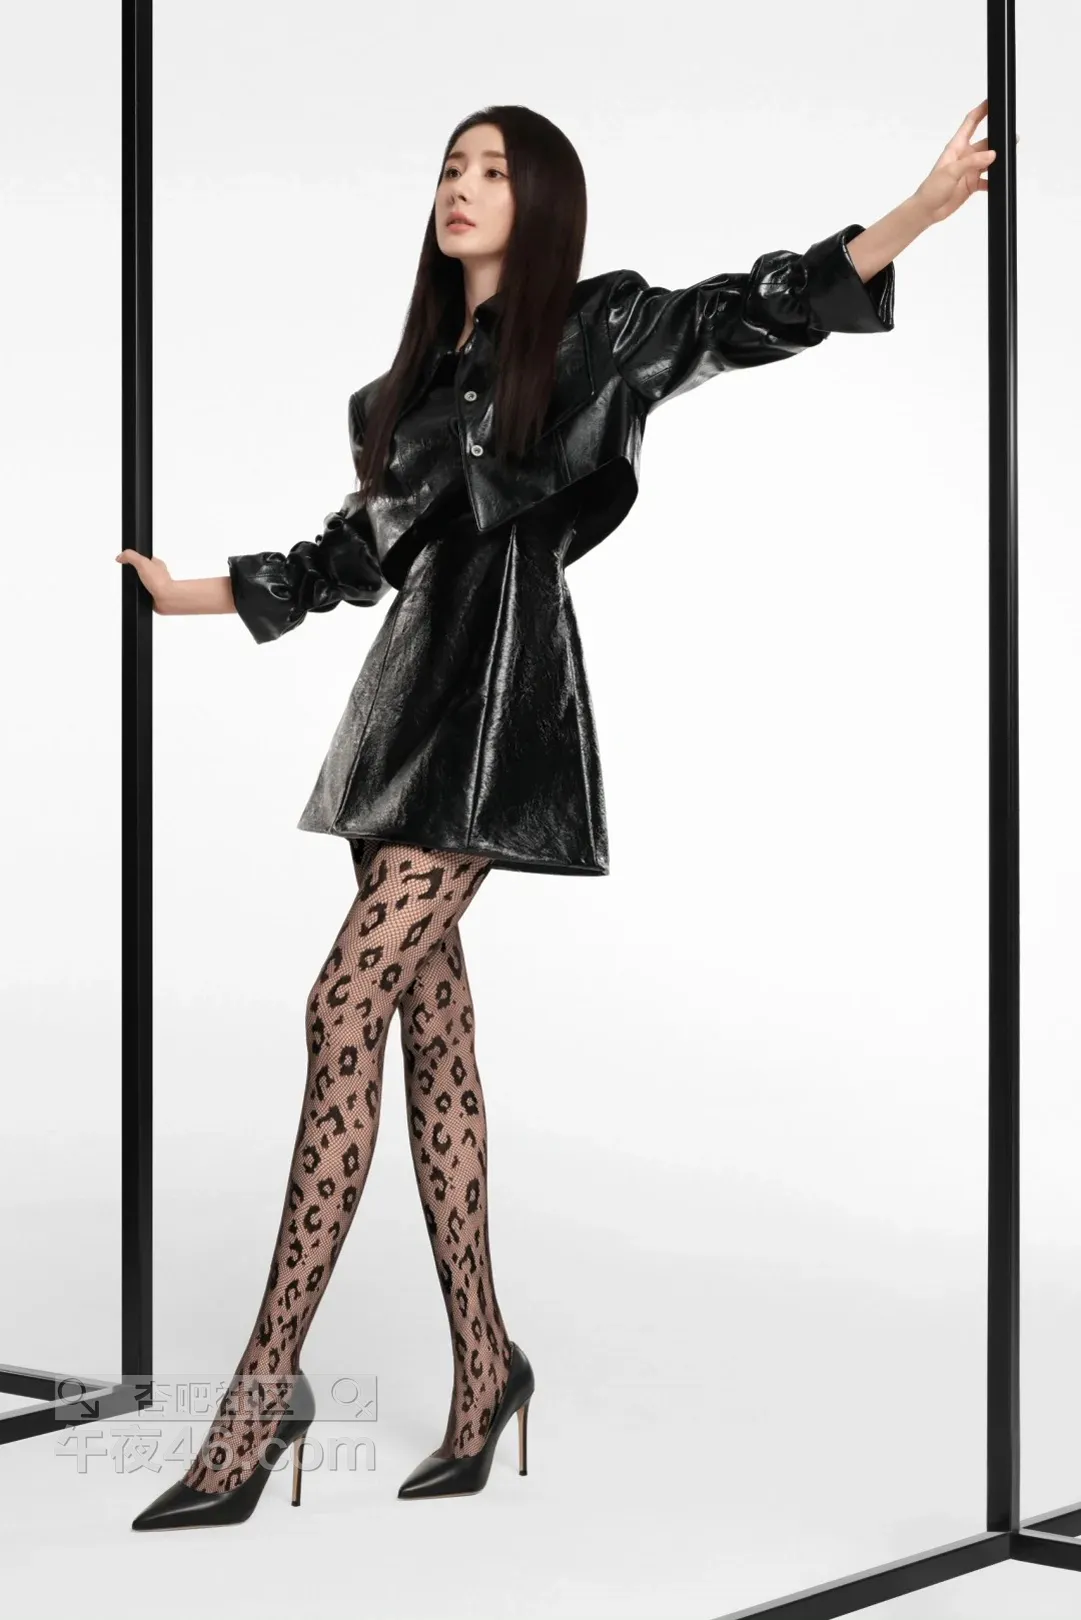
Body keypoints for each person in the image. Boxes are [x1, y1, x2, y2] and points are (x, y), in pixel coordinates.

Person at [118, 99, 994, 1529]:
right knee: (431, 1041)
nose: (461, 188)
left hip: (495, 716)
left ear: (543, 203)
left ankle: (262, 1391)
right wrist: (191, 595)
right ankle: (489, 1371)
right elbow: (349, 557)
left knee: (342, 1006)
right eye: (449, 168)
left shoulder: (595, 330)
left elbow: (747, 311)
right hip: (399, 720)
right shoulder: (400, 396)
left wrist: (911, 215)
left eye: (493, 170)